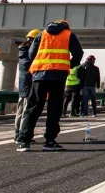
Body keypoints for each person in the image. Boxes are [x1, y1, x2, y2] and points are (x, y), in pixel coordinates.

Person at [17, 19, 83, 152]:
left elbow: (31, 53)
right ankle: (50, 141)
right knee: (54, 109)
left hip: (39, 75)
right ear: (66, 27)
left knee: (33, 107)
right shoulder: (68, 35)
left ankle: (24, 141)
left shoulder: (41, 34)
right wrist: (70, 64)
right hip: (58, 76)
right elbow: (78, 53)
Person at [13, 29, 40, 143]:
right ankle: (22, 135)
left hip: (23, 85)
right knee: (26, 111)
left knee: (21, 111)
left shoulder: (22, 52)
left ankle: (17, 134)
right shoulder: (30, 54)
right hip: (29, 85)